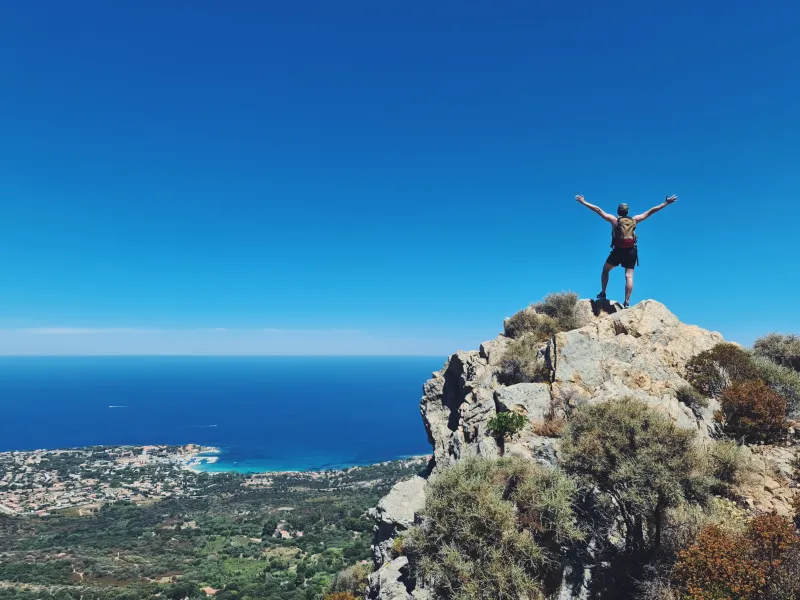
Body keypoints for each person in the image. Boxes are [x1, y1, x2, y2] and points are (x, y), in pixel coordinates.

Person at [575, 194, 678, 308]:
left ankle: (603, 293)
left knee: (605, 270)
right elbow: (650, 211)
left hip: (618, 250)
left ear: (618, 211)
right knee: (629, 276)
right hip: (631, 251)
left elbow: (598, 210)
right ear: (627, 211)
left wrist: (583, 202)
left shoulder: (614, 220)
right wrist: (666, 203)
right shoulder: (634, 220)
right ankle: (627, 302)